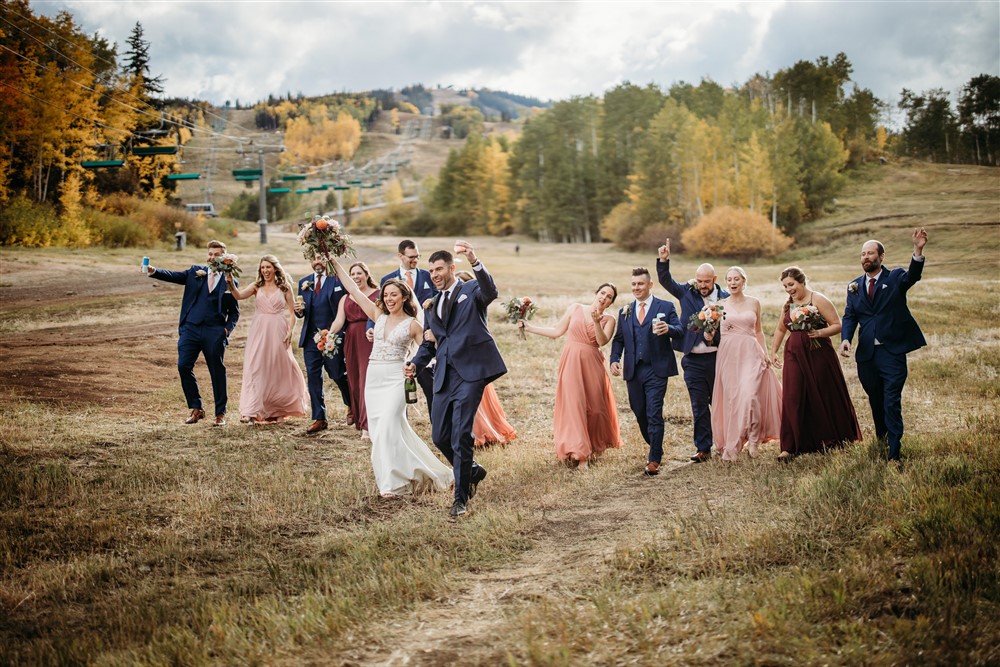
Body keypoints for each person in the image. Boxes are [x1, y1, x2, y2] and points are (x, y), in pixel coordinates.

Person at [332, 259, 453, 497]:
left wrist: (415, 363)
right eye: (386, 295)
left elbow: (428, 352)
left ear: (404, 297)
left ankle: (391, 484)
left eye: (393, 295)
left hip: (397, 378)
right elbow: (353, 289)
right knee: (380, 431)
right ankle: (426, 471)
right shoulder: (378, 315)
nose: (388, 299)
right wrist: (333, 261)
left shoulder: (413, 325)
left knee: (388, 424)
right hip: (374, 377)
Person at [405, 242, 507, 519]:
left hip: (470, 373)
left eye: (439, 269)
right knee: (439, 436)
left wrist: (473, 259)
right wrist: (415, 364)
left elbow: (491, 291)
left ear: (451, 268)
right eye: (431, 271)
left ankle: (460, 498)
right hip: (443, 375)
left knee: (461, 434)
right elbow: (429, 345)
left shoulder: (471, 290)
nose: (434, 275)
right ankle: (472, 470)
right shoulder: (432, 304)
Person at [840, 229, 928, 463]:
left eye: (870, 253)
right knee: (876, 399)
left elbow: (913, 276)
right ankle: (882, 437)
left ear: (881, 256)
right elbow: (850, 315)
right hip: (867, 356)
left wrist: (918, 250)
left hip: (891, 353)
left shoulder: (895, 277)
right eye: (863, 254)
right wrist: (846, 338)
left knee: (891, 401)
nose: (866, 257)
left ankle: (894, 451)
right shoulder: (854, 285)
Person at [520, 283, 623, 468]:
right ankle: (580, 455)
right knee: (574, 407)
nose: (604, 298)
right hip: (571, 362)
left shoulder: (610, 319)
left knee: (596, 409)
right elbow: (556, 332)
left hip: (592, 364)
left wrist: (597, 322)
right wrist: (529, 328)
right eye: (602, 293)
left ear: (611, 303)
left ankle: (594, 445)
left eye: (609, 297)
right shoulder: (575, 308)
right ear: (596, 293)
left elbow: (602, 341)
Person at [770, 267, 861, 459]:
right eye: (785, 286)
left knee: (823, 392)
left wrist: (819, 332)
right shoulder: (788, 305)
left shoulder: (818, 299)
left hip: (818, 352)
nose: (788, 289)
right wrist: (773, 351)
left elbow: (837, 325)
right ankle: (790, 446)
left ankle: (831, 439)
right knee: (793, 395)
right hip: (794, 353)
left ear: (802, 282)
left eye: (791, 284)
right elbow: (780, 329)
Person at [146, 240, 239, 426]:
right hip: (191, 329)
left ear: (224, 258)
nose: (212, 257)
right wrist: (153, 270)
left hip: (214, 332)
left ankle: (220, 414)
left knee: (217, 371)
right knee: (183, 366)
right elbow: (174, 276)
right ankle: (196, 408)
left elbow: (234, 312)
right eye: (210, 254)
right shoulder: (195, 272)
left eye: (216, 255)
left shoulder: (230, 282)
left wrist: (226, 330)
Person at [657, 239, 729, 463]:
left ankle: (727, 443)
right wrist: (663, 261)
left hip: (719, 359)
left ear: (714, 279)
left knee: (721, 403)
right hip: (693, 360)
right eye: (699, 281)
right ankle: (703, 448)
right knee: (698, 405)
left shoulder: (726, 298)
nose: (702, 285)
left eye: (706, 281)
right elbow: (666, 281)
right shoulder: (686, 293)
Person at [609, 267, 683, 476]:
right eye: (633, 284)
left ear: (650, 284)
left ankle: (654, 458)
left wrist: (668, 329)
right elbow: (619, 340)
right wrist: (614, 359)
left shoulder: (666, 306)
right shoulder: (625, 311)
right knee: (639, 410)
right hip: (634, 370)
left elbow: (680, 330)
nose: (636, 287)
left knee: (653, 412)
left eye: (640, 284)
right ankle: (656, 445)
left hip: (657, 369)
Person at [225, 255, 309, 424]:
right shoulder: (256, 286)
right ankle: (251, 410)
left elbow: (293, 313)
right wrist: (230, 282)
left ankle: (279, 410)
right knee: (255, 367)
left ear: (275, 269)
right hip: (259, 330)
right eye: (262, 268)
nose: (265, 270)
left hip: (278, 329)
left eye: (268, 267)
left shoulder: (284, 287)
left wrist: (290, 331)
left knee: (278, 368)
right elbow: (238, 296)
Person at [711, 267, 782, 461]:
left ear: (743, 281)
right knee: (734, 399)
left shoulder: (754, 302)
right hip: (728, 355)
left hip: (751, 352)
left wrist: (765, 353)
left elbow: (758, 331)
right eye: (729, 280)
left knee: (751, 396)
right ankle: (734, 442)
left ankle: (754, 440)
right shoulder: (719, 305)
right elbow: (710, 333)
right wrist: (707, 332)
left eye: (736, 279)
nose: (733, 283)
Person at [452, 270, 517, 449]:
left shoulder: (477, 301)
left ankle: (479, 432)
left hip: (474, 355)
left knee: (475, 397)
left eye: (462, 283)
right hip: (457, 355)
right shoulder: (450, 304)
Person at [294, 258, 352, 434]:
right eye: (314, 258)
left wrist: (339, 334)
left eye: (321, 258)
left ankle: (351, 403)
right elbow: (302, 312)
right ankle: (319, 418)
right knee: (313, 377)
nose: (317, 262)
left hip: (333, 336)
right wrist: (299, 311)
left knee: (337, 373)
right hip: (311, 339)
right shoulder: (304, 282)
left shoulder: (338, 280)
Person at [381, 240, 437, 418]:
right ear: (400, 256)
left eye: (418, 256)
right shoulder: (388, 280)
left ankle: (437, 424)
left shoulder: (429, 276)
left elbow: (439, 303)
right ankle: (400, 423)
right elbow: (380, 309)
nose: (416, 260)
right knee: (398, 387)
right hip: (400, 339)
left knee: (430, 385)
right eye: (412, 257)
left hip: (423, 338)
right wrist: (371, 328)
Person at [329, 261, 379, 439]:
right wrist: (328, 335)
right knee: (355, 379)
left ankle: (368, 425)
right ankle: (360, 418)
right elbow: (339, 321)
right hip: (351, 341)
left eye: (359, 273)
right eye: (352, 274)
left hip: (369, 338)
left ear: (366, 275)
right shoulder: (345, 298)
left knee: (367, 379)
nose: (356, 277)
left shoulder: (378, 294)